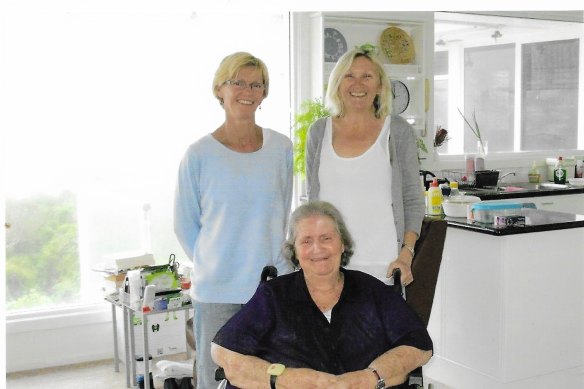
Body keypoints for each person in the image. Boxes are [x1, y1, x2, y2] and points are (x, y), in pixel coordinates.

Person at [211, 201, 433, 389]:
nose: (317, 249)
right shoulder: (274, 296)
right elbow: (223, 351)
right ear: (295, 252)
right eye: (306, 241)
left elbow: (420, 346)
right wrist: (286, 378)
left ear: (342, 244)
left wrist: (369, 377)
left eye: (326, 238)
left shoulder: (371, 291)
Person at [174, 51, 293, 389]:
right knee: (215, 381)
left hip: (269, 286)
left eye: (257, 84)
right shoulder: (199, 154)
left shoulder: (280, 148)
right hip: (217, 291)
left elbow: (282, 215)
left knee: (270, 378)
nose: (248, 90)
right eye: (237, 82)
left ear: (264, 94)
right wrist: (217, 261)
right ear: (219, 89)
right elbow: (185, 224)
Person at [305, 45, 425, 286]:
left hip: (384, 267)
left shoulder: (398, 131)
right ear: (337, 83)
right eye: (349, 75)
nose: (357, 84)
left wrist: (406, 254)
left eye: (367, 76)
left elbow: (412, 199)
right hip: (329, 266)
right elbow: (313, 202)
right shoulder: (319, 131)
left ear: (380, 85)